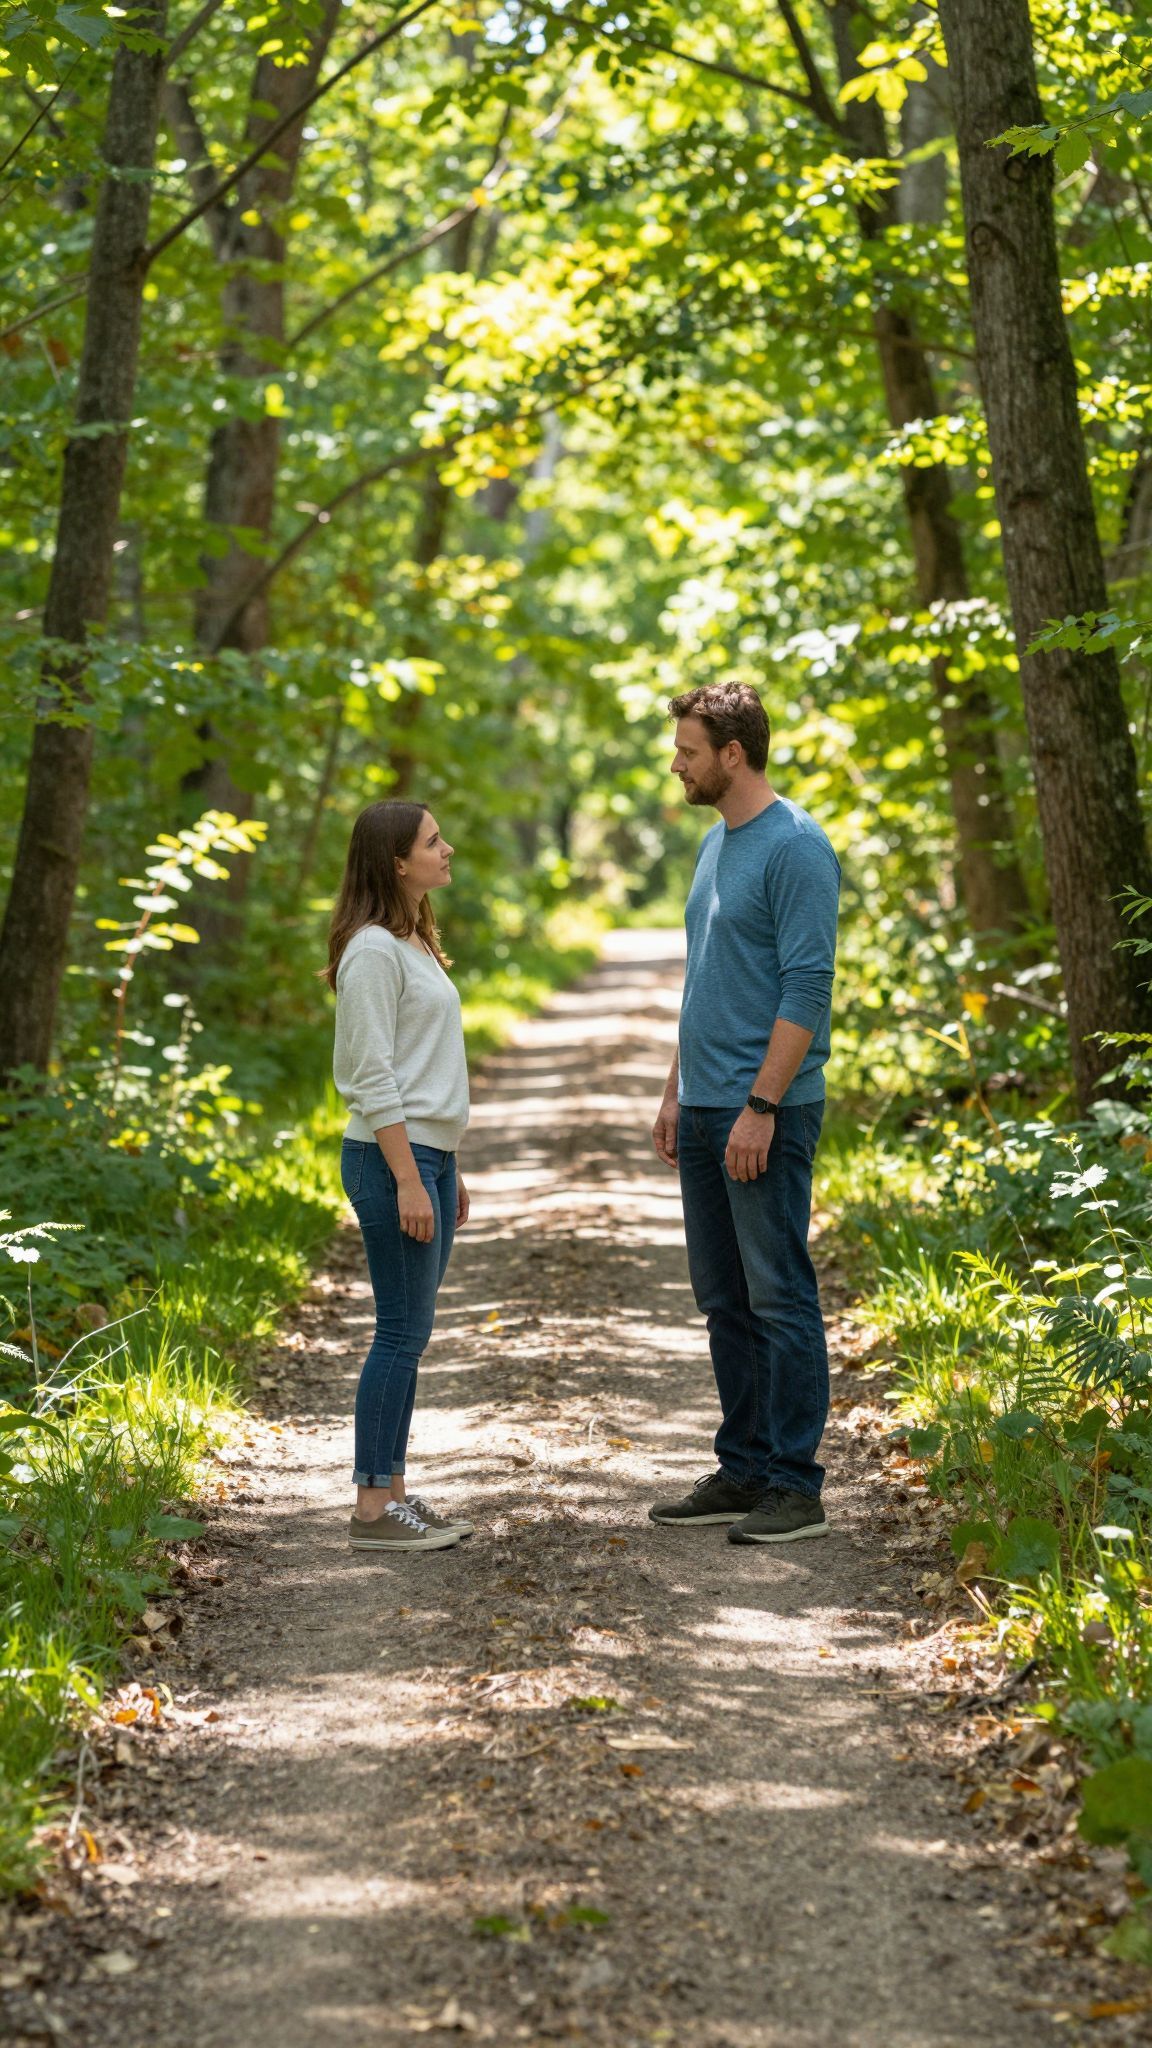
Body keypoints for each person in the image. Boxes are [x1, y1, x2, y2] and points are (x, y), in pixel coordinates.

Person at [649, 683, 841, 1544]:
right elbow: (705, 980)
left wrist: (762, 1105)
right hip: (704, 1105)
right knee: (724, 1300)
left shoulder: (796, 847)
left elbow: (808, 987)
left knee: (778, 1296)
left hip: (764, 1110)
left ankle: (796, 1486)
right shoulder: (715, 843)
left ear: (733, 754)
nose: (677, 764)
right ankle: (745, 1468)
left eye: (688, 750)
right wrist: (674, 1089)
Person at [327, 800, 473, 1553]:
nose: (446, 850)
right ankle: (369, 1510)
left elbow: (424, 1068)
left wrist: (448, 1166)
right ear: (396, 862)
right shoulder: (372, 951)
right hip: (392, 1160)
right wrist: (411, 1179)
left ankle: (396, 1496)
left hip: (426, 1157)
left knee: (411, 1334)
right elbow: (374, 1077)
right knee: (399, 1333)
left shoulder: (412, 939)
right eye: (432, 841)